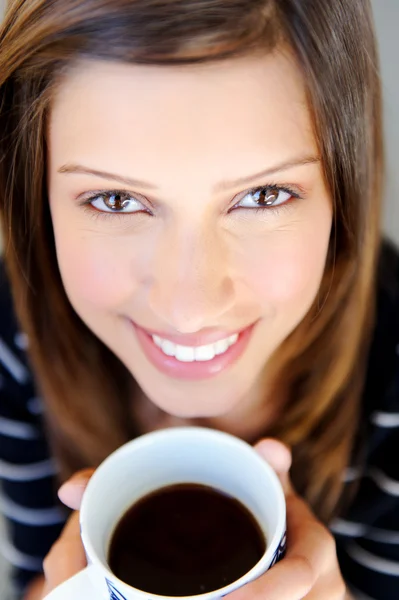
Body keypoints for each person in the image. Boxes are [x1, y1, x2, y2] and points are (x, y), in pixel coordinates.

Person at [0, 0, 397, 598]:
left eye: (263, 196)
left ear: (344, 191)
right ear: (36, 199)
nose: (189, 307)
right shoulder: (13, 340)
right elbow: (36, 577)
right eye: (115, 201)